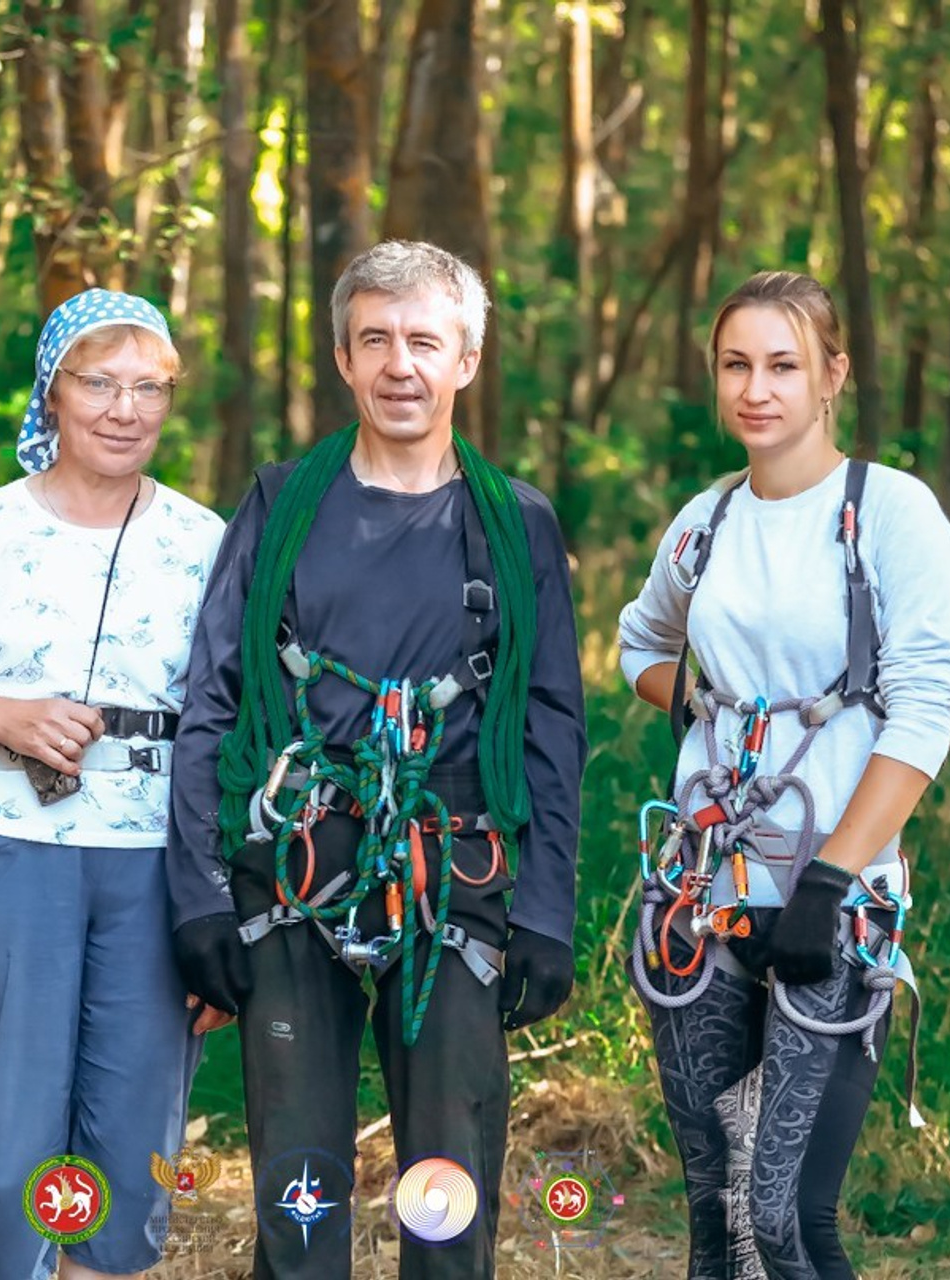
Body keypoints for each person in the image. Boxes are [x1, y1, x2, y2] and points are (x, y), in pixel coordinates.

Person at [167, 240, 587, 1279]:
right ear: (345, 359)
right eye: (376, 340)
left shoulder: (514, 524)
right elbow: (213, 699)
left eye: (423, 341)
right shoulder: (279, 504)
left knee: (446, 1187)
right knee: (298, 1190)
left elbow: (546, 720)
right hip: (295, 872)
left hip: (455, 876)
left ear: (466, 361)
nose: (400, 364)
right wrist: (199, 896)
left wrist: (541, 911)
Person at [618, 270, 950, 1279]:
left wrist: (828, 880)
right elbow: (637, 643)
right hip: (698, 892)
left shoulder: (888, 512)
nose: (754, 388)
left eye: (781, 364)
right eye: (734, 364)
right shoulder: (706, 520)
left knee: (780, 1216)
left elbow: (925, 707)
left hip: (830, 906)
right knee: (712, 1214)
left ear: (830, 376)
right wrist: (703, 698)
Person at [0, 288, 227, 1280]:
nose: (123, 408)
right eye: (98, 382)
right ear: (54, 390)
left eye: (148, 386)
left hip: (153, 859)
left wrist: (223, 906)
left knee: (130, 1138)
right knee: (9, 1133)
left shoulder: (205, 541)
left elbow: (235, 731)